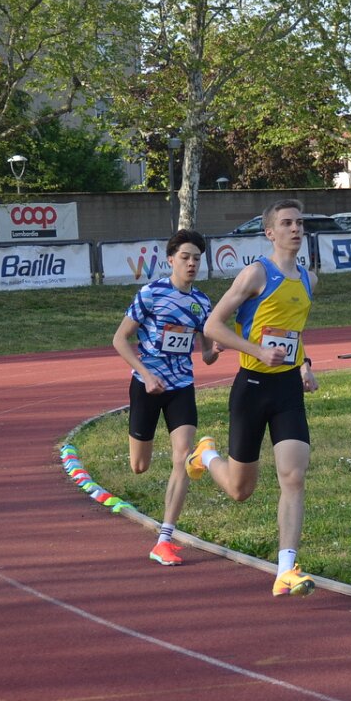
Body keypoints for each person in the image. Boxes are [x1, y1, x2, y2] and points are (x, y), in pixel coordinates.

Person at [188, 199, 320, 597]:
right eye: (287, 223)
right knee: (239, 490)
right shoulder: (256, 274)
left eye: (300, 223)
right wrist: (257, 351)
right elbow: (213, 326)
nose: (296, 229)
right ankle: (206, 455)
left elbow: (293, 331)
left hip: (287, 389)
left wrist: (304, 364)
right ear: (270, 232)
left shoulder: (310, 279)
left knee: (293, 477)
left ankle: (286, 569)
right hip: (252, 388)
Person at [111, 229, 220, 566]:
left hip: (181, 387)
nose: (191, 264)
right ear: (171, 260)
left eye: (196, 259)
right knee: (139, 466)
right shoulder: (151, 294)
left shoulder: (202, 303)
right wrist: (146, 375)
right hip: (146, 387)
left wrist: (215, 349)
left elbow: (206, 356)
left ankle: (164, 539)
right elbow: (119, 339)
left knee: (182, 458)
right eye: (185, 257)